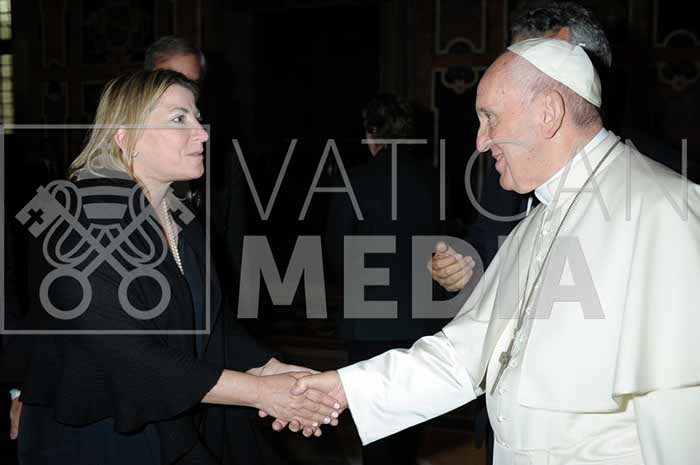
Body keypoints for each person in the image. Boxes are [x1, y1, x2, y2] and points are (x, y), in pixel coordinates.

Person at [284, 38, 700, 464]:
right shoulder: (534, 223)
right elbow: (461, 357)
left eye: (490, 118)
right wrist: (345, 389)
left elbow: (680, 417)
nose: (481, 142)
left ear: (548, 112)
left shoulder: (664, 209)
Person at [16, 70, 340, 465]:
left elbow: (214, 326)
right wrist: (260, 393)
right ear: (125, 138)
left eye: (197, 118)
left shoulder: (182, 219)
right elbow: (128, 358)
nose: (202, 134)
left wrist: (273, 370)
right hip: (96, 437)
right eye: (178, 119)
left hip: (169, 424)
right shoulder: (80, 220)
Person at [325, 93, 439, 465]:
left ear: (373, 132)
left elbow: (337, 250)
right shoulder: (431, 179)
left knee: (374, 426)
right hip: (419, 316)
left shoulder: (354, 180)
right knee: (409, 420)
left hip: (369, 318)